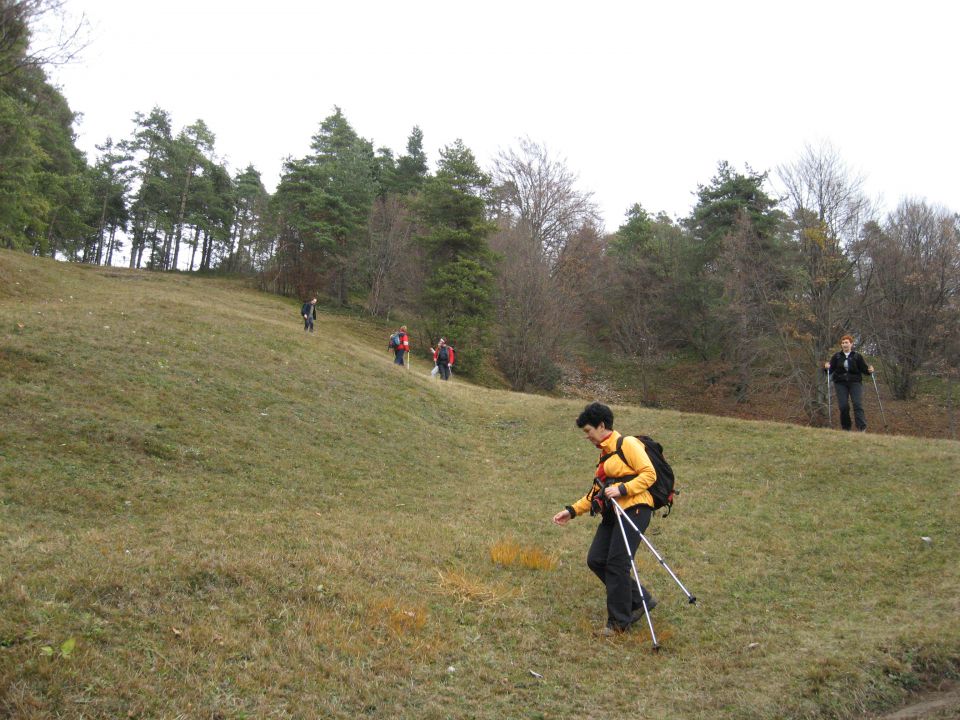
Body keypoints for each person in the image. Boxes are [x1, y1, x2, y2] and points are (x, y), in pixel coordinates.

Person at [552, 402, 658, 636]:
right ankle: (641, 600)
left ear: (602, 426)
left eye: (588, 431)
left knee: (617, 563)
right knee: (597, 559)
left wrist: (622, 489)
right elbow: (596, 492)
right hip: (613, 513)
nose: (587, 436)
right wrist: (571, 511)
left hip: (635, 509)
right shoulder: (604, 457)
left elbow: (650, 474)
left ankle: (619, 623)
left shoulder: (627, 444)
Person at [824, 334, 874, 431]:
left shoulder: (857, 356)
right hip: (840, 383)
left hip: (855, 382)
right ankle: (846, 428)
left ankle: (861, 427)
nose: (844, 345)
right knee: (843, 406)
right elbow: (830, 370)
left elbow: (865, 370)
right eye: (842, 343)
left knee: (857, 404)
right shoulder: (837, 356)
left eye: (846, 343)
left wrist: (870, 370)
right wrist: (826, 367)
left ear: (851, 344)